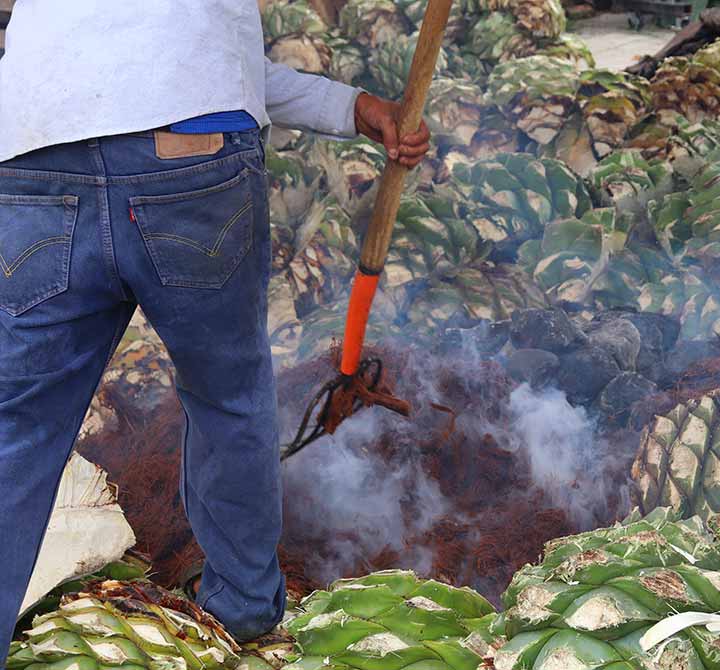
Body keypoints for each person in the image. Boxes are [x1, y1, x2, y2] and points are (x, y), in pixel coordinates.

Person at [0, 0, 431, 653]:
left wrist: (350, 106)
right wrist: (351, 104)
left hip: (33, 151)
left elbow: (177, 57)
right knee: (227, 397)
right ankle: (243, 619)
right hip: (188, 155)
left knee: (17, 430)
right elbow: (199, 66)